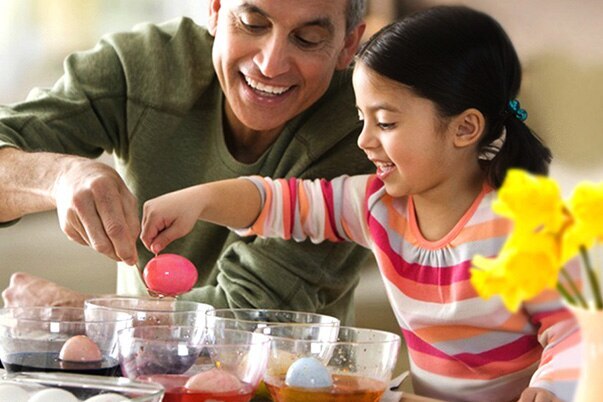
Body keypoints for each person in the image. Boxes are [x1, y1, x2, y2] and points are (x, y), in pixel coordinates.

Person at [138, 6, 580, 402]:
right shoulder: (377, 206)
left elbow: (576, 330)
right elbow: (280, 202)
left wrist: (551, 387)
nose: (365, 141)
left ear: (464, 129)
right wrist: (199, 200)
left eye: (385, 122)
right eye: (361, 119)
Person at [0, 0, 374, 325]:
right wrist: (60, 176)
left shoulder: (366, 129)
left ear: (348, 44)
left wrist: (82, 314)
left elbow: (254, 318)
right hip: (138, 376)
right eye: (252, 24)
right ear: (214, 10)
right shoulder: (145, 66)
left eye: (307, 38)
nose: (270, 65)